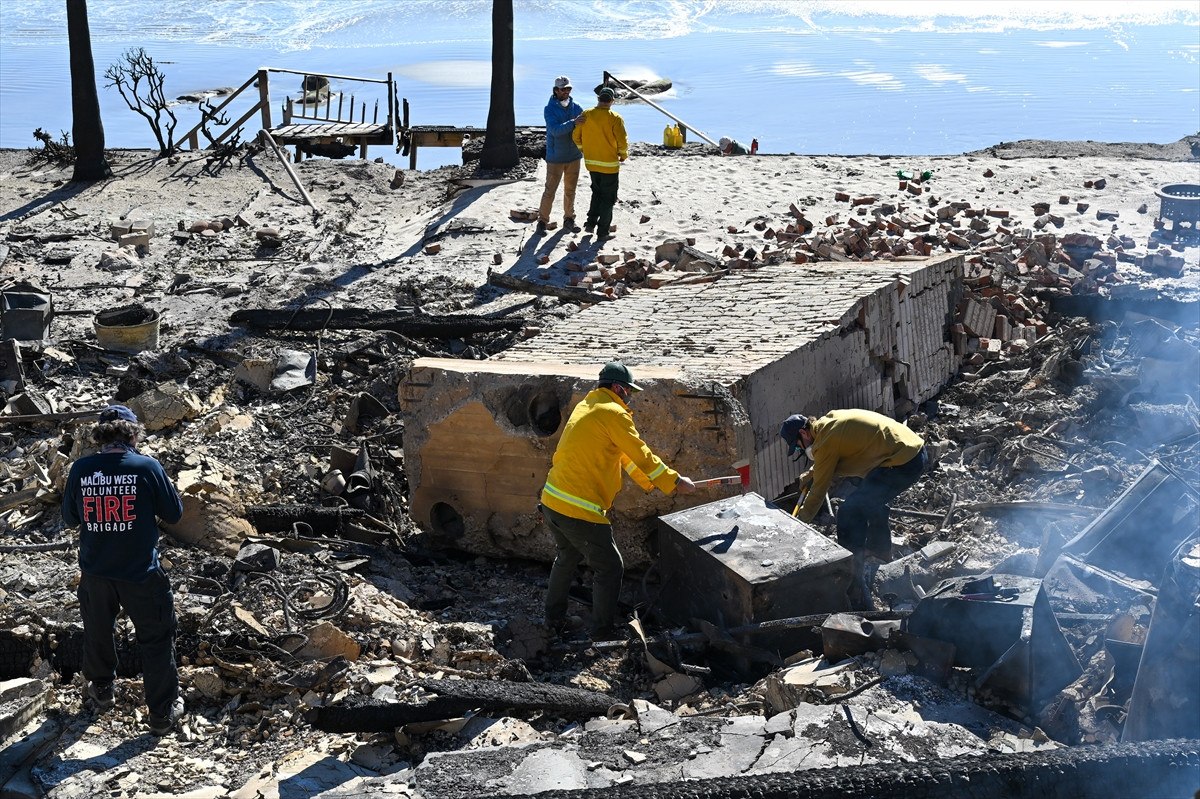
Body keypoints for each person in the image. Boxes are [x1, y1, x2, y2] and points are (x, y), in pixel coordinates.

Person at [541, 361, 696, 640]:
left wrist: (655, 483)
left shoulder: (587, 407)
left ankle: (552, 619)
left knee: (567, 556)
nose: (629, 397)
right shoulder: (614, 414)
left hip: (552, 500)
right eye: (628, 391)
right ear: (616, 388)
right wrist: (674, 481)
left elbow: (623, 456)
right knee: (610, 568)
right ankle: (601, 633)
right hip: (579, 508)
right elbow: (640, 452)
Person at [61, 404, 185, 736]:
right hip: (141, 573)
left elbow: (70, 519)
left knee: (98, 632)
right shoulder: (147, 467)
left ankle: (101, 690)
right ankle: (161, 713)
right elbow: (173, 514)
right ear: (133, 434)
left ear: (100, 436)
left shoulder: (81, 469)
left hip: (96, 572)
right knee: (156, 638)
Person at [780, 409, 927, 610]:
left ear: (804, 434)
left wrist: (797, 524)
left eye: (797, 448)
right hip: (912, 452)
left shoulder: (825, 442)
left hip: (902, 463)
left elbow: (817, 493)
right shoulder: (828, 425)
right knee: (870, 497)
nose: (800, 451)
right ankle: (879, 549)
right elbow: (829, 460)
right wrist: (813, 473)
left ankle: (850, 572)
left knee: (850, 511)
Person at [571, 87, 627, 241]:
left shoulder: (586, 114)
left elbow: (576, 136)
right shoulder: (615, 118)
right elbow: (622, 141)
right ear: (612, 101)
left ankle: (590, 223)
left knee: (596, 193)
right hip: (609, 165)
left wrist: (585, 150)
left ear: (598, 99)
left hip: (591, 164)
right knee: (608, 198)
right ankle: (602, 232)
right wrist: (623, 155)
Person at [538, 75, 584, 233]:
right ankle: (542, 222)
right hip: (555, 158)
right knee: (550, 191)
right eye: (563, 89)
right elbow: (555, 131)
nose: (566, 91)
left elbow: (585, 124)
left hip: (574, 157)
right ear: (556, 90)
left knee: (570, 190)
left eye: (569, 88)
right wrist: (573, 123)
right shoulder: (549, 109)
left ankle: (569, 219)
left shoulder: (576, 106)